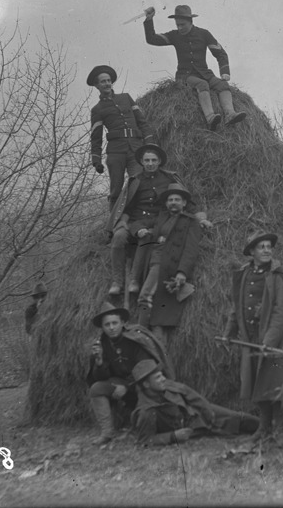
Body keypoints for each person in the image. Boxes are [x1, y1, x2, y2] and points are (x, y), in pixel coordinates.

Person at [219, 231, 283, 444]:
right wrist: (229, 332)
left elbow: (282, 311)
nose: (266, 250)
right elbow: (236, 306)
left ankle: (281, 430)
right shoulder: (244, 274)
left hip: (274, 340)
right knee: (257, 382)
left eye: (269, 247)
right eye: (261, 247)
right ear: (252, 251)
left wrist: (269, 341)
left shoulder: (277, 276)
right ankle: (264, 428)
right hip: (250, 338)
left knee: (275, 383)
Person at [107, 144, 211, 296]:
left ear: (159, 161)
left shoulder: (169, 178)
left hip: (159, 221)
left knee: (148, 237)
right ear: (141, 162)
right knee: (119, 237)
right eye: (147, 160)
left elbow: (185, 202)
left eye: (153, 160)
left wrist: (200, 219)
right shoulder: (135, 180)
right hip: (136, 221)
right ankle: (117, 282)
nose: (150, 164)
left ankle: (135, 280)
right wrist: (122, 224)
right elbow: (127, 208)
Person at [143, 5, 246, 130]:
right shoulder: (174, 35)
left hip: (204, 73)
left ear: (191, 21)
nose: (180, 28)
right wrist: (149, 19)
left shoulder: (204, 34)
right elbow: (152, 39)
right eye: (177, 25)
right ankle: (210, 118)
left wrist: (225, 72)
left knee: (222, 85)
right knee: (202, 84)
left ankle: (230, 114)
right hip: (185, 76)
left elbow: (220, 53)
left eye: (182, 25)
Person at [86, 305, 175, 445]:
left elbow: (146, 370)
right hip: (121, 382)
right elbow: (101, 378)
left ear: (122, 323)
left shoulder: (135, 339)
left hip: (143, 383)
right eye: (107, 324)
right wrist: (99, 362)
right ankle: (107, 433)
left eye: (115, 323)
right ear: (102, 327)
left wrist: (127, 386)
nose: (111, 327)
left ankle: (147, 426)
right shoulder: (103, 344)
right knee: (96, 389)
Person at [130, 359, 259, 446]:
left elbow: (189, 393)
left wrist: (206, 409)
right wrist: (173, 436)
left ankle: (268, 427)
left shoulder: (164, 385)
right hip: (192, 428)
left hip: (198, 410)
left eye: (161, 375)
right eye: (157, 377)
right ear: (146, 384)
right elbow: (145, 440)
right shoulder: (146, 411)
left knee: (238, 418)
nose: (163, 379)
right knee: (231, 433)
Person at [135, 184, 202, 351]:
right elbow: (137, 223)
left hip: (168, 265)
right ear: (166, 203)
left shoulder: (190, 221)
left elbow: (191, 249)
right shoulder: (161, 217)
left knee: (145, 297)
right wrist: (140, 230)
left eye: (177, 199)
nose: (173, 202)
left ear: (184, 203)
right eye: (170, 200)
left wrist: (182, 272)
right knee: (158, 309)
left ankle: (140, 334)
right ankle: (154, 345)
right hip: (153, 262)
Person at [88, 65, 158, 210]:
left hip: (136, 149)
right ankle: (113, 221)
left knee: (139, 182)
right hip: (116, 153)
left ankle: (140, 214)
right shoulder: (97, 110)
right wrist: (96, 161)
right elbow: (96, 137)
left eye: (109, 81)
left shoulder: (126, 98)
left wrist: (149, 143)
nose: (107, 84)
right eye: (103, 81)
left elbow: (142, 122)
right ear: (97, 85)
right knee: (116, 190)